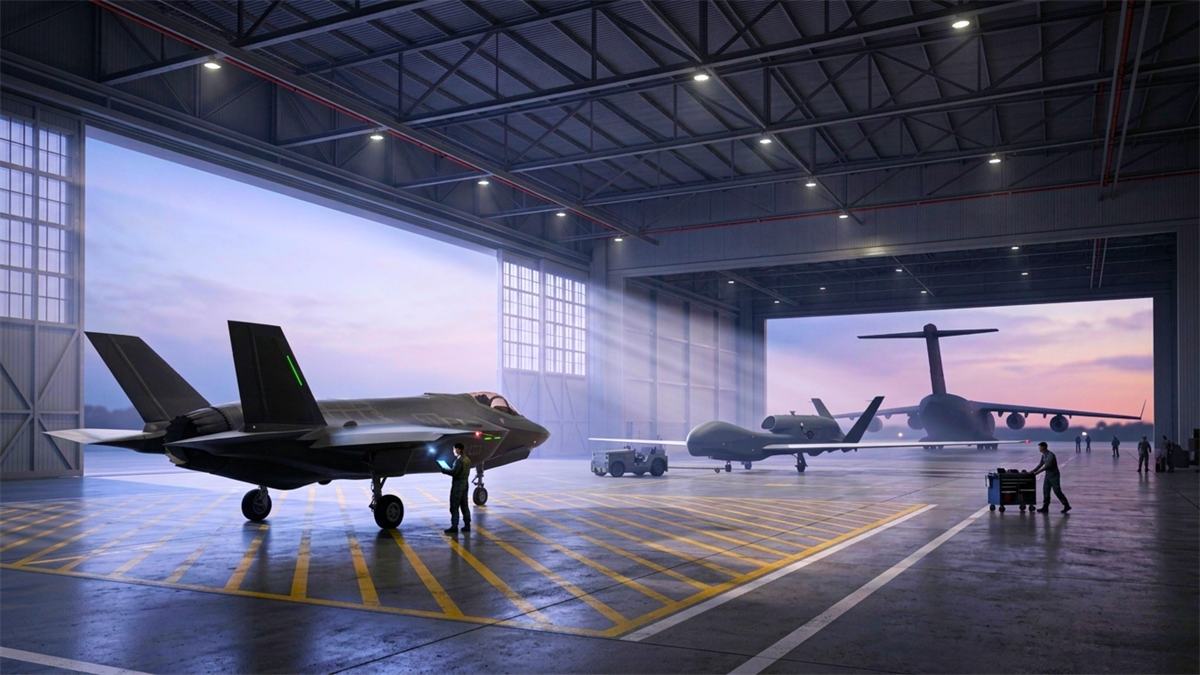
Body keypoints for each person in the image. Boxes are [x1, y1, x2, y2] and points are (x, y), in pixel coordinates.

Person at [1031, 441, 1071, 513]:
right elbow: (1040, 464)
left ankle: (1066, 505)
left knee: (1057, 491)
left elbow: (1046, 467)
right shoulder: (1044, 455)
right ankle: (1045, 507)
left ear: (1043, 447)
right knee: (1046, 491)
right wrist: (1032, 471)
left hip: (1054, 475)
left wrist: (1036, 473)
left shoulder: (1050, 455)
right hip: (1048, 475)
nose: (1039, 449)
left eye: (1040, 447)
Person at [441, 443, 471, 534]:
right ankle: (467, 525)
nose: (453, 451)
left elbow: (454, 472)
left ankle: (454, 526)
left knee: (454, 506)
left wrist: (445, 470)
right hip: (465, 484)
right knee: (464, 506)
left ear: (458, 449)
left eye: (454, 449)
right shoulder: (467, 459)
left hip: (458, 485)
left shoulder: (459, 461)